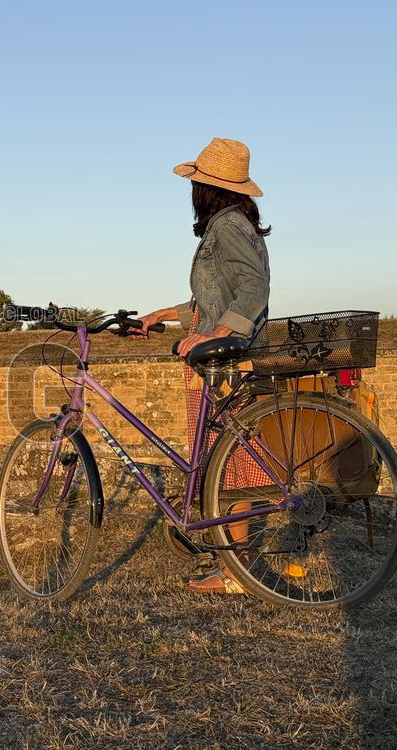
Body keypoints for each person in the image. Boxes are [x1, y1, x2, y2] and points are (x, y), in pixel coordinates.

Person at [136, 137, 271, 594]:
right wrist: (164, 315)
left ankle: (235, 572)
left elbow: (253, 289)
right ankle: (232, 566)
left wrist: (216, 334)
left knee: (227, 465)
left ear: (207, 188)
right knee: (222, 462)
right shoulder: (232, 225)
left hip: (225, 361)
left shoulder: (227, 227)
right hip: (219, 355)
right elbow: (212, 298)